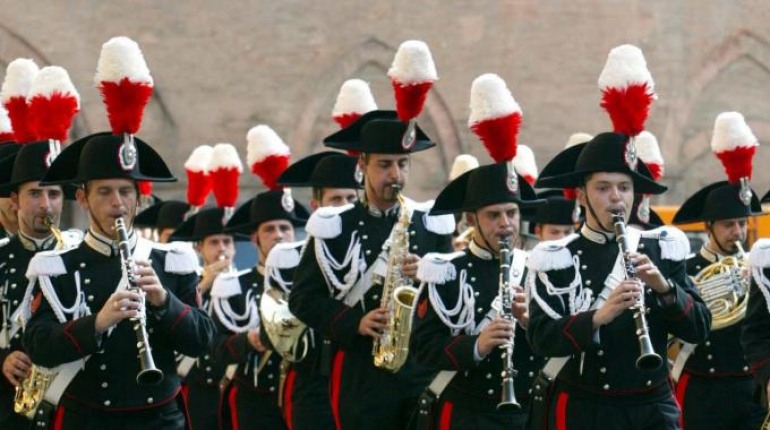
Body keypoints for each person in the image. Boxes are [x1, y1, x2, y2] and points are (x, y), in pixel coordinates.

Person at [22, 132, 217, 430]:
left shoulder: (172, 261)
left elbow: (203, 340)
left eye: (125, 191)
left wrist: (165, 302)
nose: (118, 203)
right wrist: (97, 323)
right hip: (89, 417)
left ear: (138, 198)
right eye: (104, 192)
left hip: (161, 418)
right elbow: (39, 348)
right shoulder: (57, 267)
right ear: (83, 198)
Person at [526, 132, 711, 429]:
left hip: (652, 408)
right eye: (603, 188)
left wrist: (664, 288)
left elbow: (700, 327)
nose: (616, 197)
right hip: (587, 409)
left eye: (624, 187)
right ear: (582, 195)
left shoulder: (660, 248)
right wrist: (597, 317)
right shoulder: (557, 257)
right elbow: (540, 338)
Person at [288, 111, 455, 429]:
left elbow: (453, 297)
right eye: (384, 164)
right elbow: (303, 298)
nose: (396, 174)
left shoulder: (429, 223)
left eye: (402, 164)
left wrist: (430, 272)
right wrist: (355, 321)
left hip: (420, 369)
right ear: (361, 165)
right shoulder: (335, 225)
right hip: (361, 371)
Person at [411, 161, 544, 429]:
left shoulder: (538, 269)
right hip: (467, 413)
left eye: (512, 213)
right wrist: (476, 345)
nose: (506, 224)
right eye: (493, 215)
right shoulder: (446, 272)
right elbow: (423, 348)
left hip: (529, 413)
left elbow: (559, 347)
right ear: (471, 220)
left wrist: (531, 323)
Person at [267, 151, 359, 430]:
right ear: (316, 204)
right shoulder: (287, 257)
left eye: (351, 199)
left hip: (360, 376)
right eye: (335, 199)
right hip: (312, 377)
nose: (344, 206)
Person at [0, 141, 82, 429]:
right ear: (15, 200)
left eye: (54, 193)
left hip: (72, 405)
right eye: (35, 193)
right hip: (10, 410)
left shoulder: (81, 255)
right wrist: (3, 359)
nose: (46, 204)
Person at [671, 181, 766, 429]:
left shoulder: (760, 270)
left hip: (752, 387)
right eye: (728, 225)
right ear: (708, 227)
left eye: (742, 223)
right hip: (703, 390)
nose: (737, 232)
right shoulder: (686, 271)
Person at [213, 190, 308, 430]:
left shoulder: (311, 282)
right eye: (269, 229)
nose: (278, 235)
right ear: (255, 238)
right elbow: (215, 348)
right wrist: (247, 341)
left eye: (284, 228)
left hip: (304, 396)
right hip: (255, 399)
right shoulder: (233, 286)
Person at [168, 207, 239, 430]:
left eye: (227, 242)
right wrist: (205, 283)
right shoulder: (190, 282)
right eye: (214, 242)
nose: (222, 249)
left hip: (234, 384)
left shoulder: (244, 283)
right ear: (199, 248)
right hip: (197, 384)